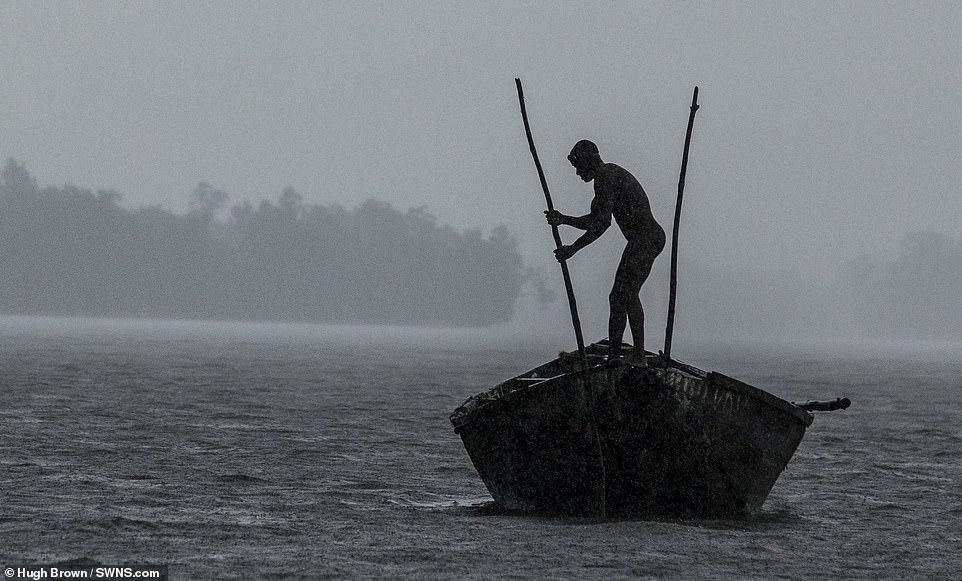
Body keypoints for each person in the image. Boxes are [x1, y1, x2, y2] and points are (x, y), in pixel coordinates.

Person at [545, 140, 666, 367]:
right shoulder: (604, 180)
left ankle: (632, 356)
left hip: (647, 239)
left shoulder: (606, 177)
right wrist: (564, 220)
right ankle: (616, 355)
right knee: (621, 296)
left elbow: (602, 224)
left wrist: (572, 249)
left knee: (625, 295)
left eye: (579, 167)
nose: (578, 173)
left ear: (588, 162)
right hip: (641, 240)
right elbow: (594, 218)